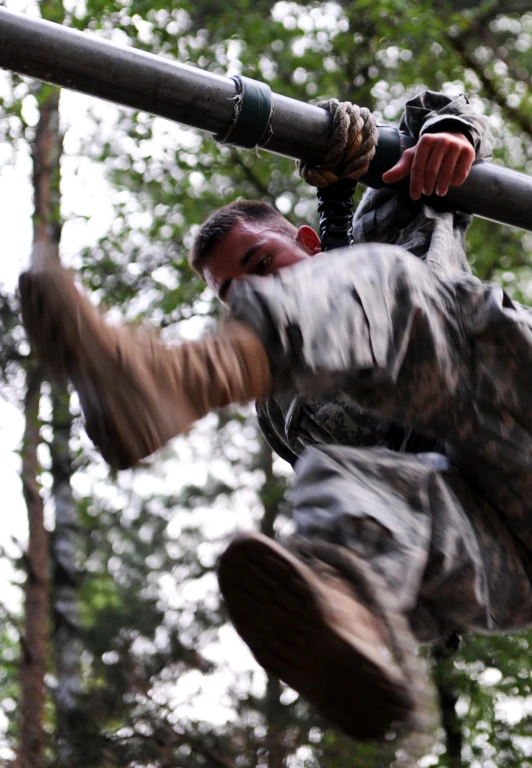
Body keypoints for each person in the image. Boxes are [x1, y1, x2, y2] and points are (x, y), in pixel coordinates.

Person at [19, 91, 532, 746]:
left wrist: (447, 130)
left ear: (308, 241)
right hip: (504, 560)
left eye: (264, 267)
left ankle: (179, 381)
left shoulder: (386, 252)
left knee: (385, 282)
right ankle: (357, 616)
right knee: (334, 483)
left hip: (510, 406)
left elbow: (425, 120)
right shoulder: (288, 410)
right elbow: (368, 441)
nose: (260, 295)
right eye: (238, 300)